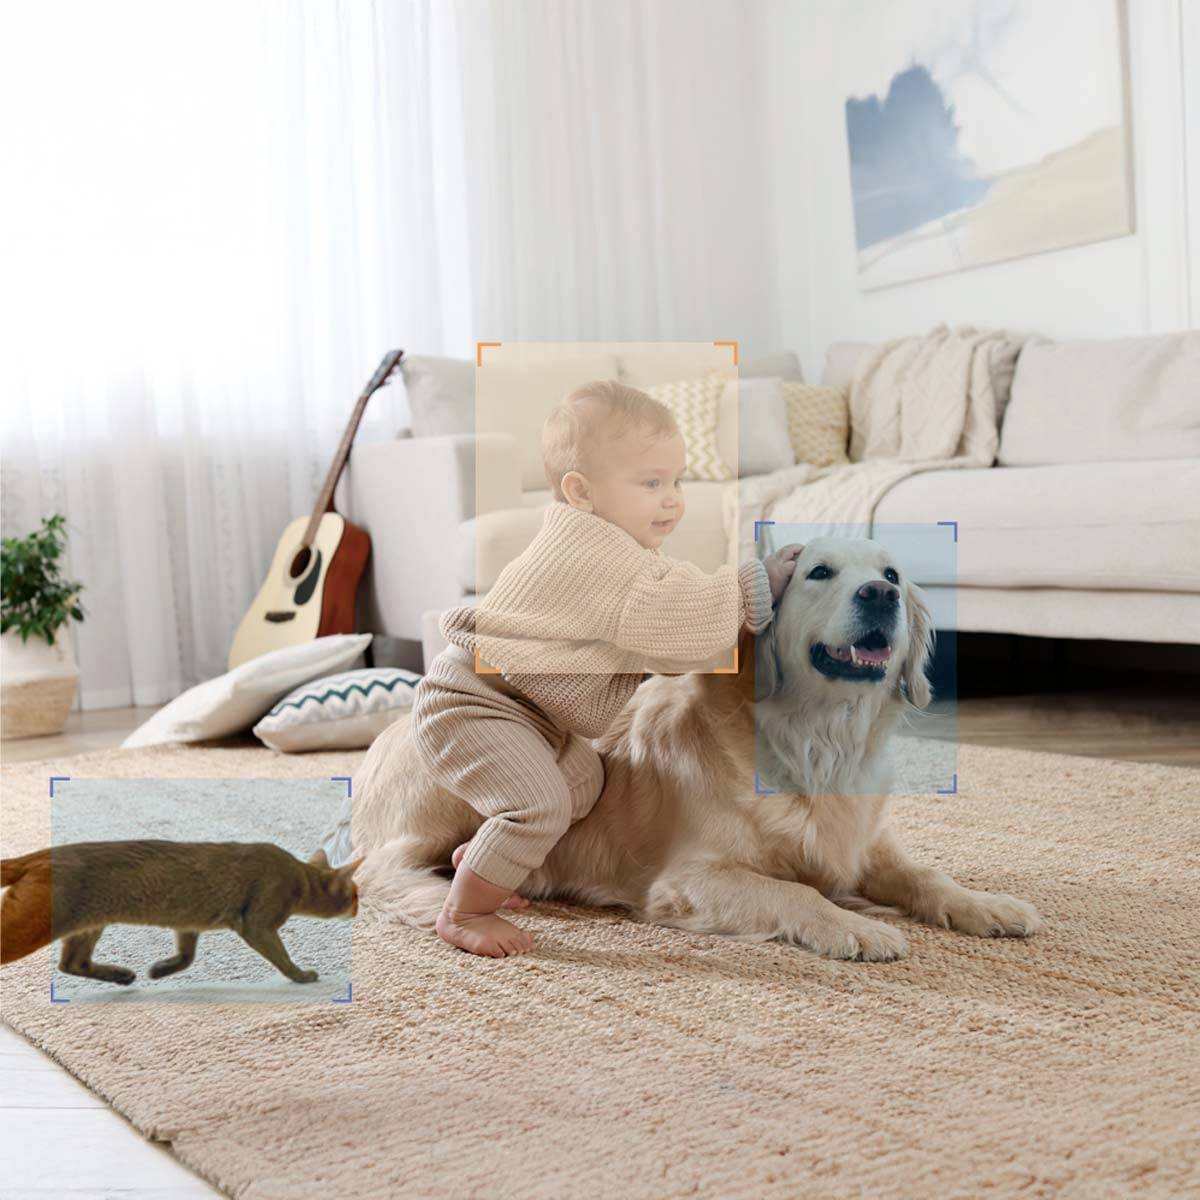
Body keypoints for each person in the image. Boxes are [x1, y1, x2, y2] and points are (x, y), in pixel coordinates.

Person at [409, 380, 803, 957]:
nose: (673, 499)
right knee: (538, 804)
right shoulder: (591, 555)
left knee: (588, 782)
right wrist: (751, 587)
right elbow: (673, 615)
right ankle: (465, 910)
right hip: (472, 704)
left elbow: (671, 647)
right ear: (581, 492)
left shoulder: (618, 552)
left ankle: (488, 854)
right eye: (650, 484)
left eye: (676, 480)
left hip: (527, 713)